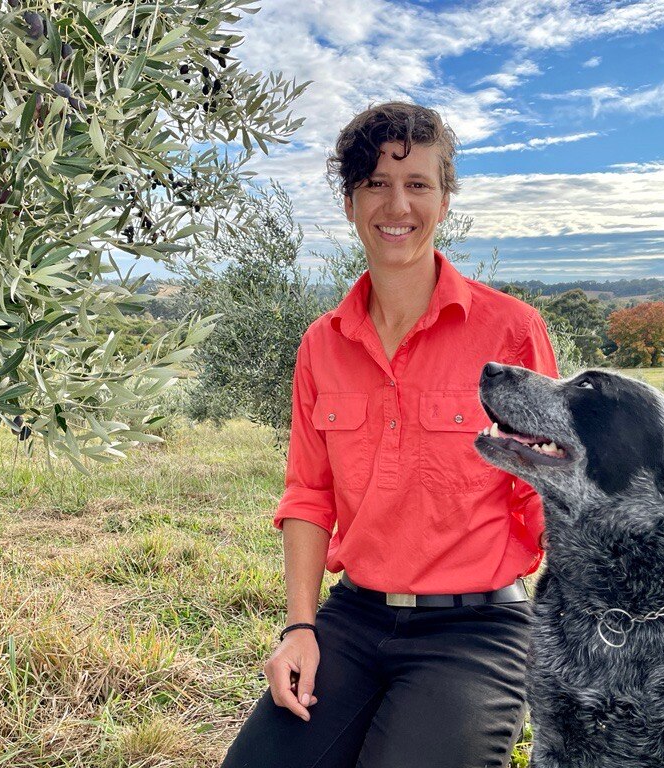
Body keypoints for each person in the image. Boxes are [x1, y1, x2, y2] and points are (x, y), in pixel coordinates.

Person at [221, 102, 559, 768]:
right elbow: (309, 494)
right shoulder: (321, 345)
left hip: (477, 632)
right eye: (375, 183)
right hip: (353, 618)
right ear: (350, 203)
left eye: (417, 184)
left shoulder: (513, 332)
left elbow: (551, 490)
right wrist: (299, 628)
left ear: (444, 200)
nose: (396, 204)